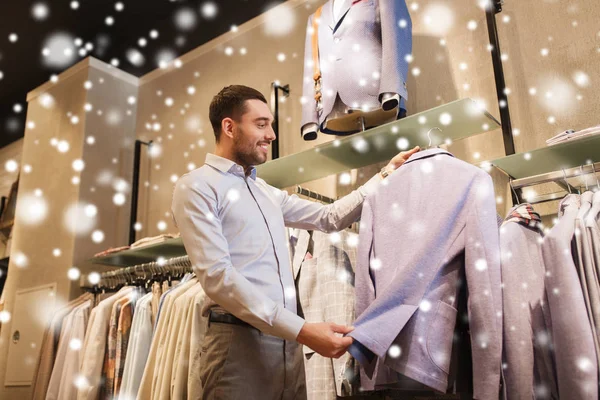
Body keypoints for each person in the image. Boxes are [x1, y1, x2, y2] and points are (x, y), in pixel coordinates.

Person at [171, 85, 420, 399]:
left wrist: (387, 173)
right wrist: (304, 330)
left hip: (289, 347)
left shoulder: (266, 191)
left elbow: (330, 217)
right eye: (261, 124)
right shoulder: (196, 187)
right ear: (229, 127)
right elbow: (218, 278)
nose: (272, 135)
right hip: (237, 346)